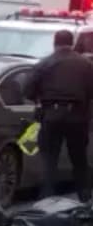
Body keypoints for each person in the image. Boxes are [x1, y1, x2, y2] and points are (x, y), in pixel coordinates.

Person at [23, 29, 93, 202]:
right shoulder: (86, 64)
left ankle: (46, 200)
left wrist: (40, 98)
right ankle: (85, 198)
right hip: (78, 116)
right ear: (72, 43)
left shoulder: (45, 63)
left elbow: (27, 90)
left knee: (49, 159)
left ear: (54, 43)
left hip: (51, 115)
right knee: (79, 159)